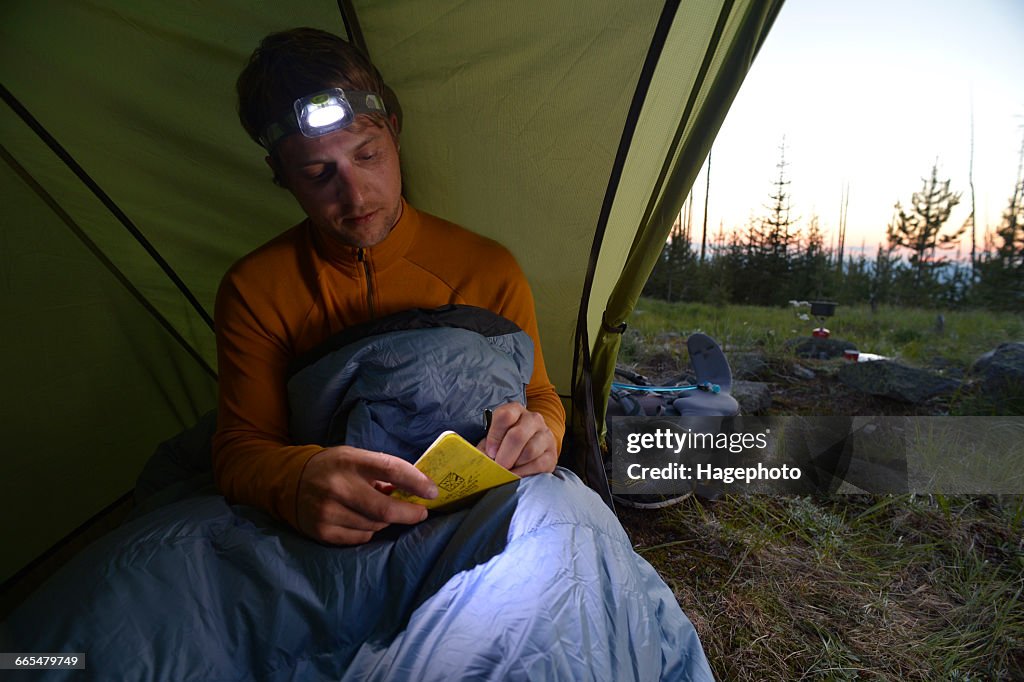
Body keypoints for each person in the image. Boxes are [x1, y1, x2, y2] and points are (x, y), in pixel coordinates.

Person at [213, 27, 566, 546]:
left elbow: (539, 394)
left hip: (481, 512)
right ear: (280, 174)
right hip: (334, 532)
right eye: (317, 173)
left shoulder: (487, 268)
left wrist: (545, 435)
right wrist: (297, 480)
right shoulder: (255, 290)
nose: (354, 195)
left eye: (368, 155)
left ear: (395, 133)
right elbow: (243, 447)